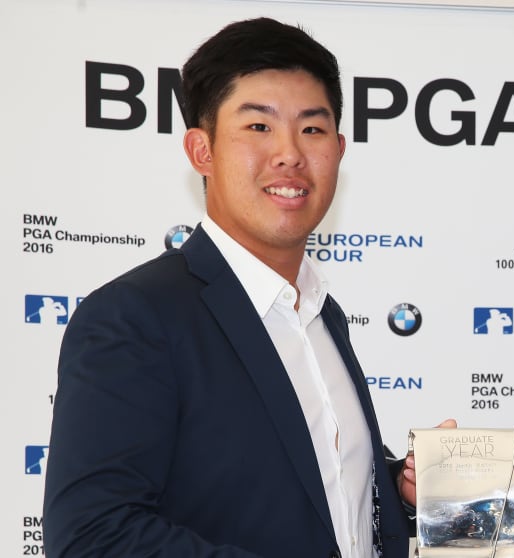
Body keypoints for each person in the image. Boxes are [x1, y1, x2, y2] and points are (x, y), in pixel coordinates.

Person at [44, 18, 418, 557]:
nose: (289, 153)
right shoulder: (133, 317)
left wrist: (396, 487)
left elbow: (304, 486)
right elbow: (93, 536)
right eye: (259, 127)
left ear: (338, 150)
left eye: (312, 129)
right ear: (202, 151)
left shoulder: (321, 312)